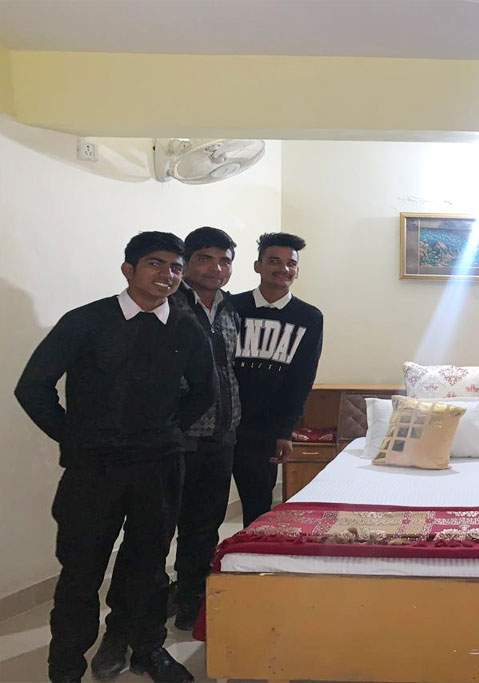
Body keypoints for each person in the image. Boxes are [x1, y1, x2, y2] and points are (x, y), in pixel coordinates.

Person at [15, 232, 214, 683]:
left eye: (175, 267)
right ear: (128, 270)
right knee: (81, 571)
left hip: (159, 468)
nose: (167, 274)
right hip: (93, 469)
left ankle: (147, 649)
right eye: (155, 263)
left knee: (149, 565)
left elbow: (205, 391)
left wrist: (166, 431)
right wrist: (75, 437)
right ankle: (65, 665)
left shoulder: (186, 327)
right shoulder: (86, 321)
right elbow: (33, 387)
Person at [165, 226, 242, 630]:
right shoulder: (168, 304)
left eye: (224, 260)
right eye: (205, 259)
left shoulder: (231, 308)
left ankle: (191, 595)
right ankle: (144, 603)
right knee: (160, 525)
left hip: (221, 434)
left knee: (205, 524)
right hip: (176, 436)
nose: (216, 268)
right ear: (187, 262)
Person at [231, 232, 323, 527]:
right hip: (221, 424)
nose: (283, 269)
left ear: (297, 271)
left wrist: (285, 430)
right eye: (274, 261)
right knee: (204, 504)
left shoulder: (309, 317)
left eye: (291, 264)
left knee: (258, 505)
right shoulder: (231, 307)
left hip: (265, 429)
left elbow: (302, 377)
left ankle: (250, 556)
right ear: (257, 265)